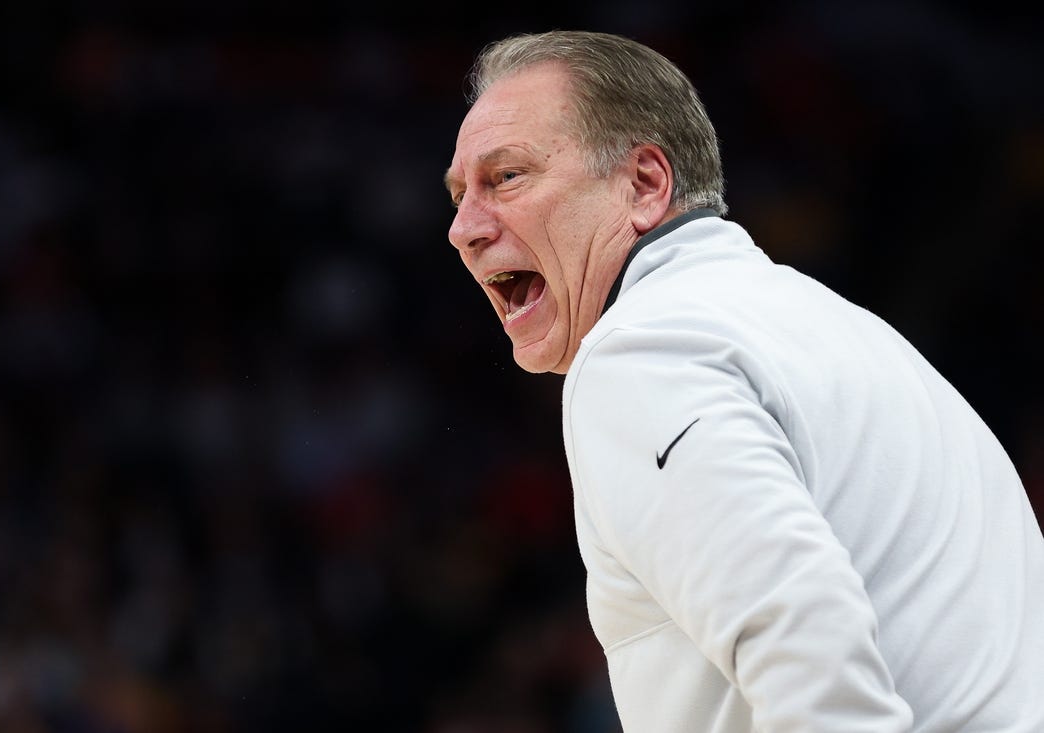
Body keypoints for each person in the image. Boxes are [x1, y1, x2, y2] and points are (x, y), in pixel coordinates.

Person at [443, 30, 1044, 732]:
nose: (463, 229)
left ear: (644, 184)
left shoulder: (643, 351)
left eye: (506, 176)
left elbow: (810, 656)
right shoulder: (854, 337)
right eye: (458, 195)